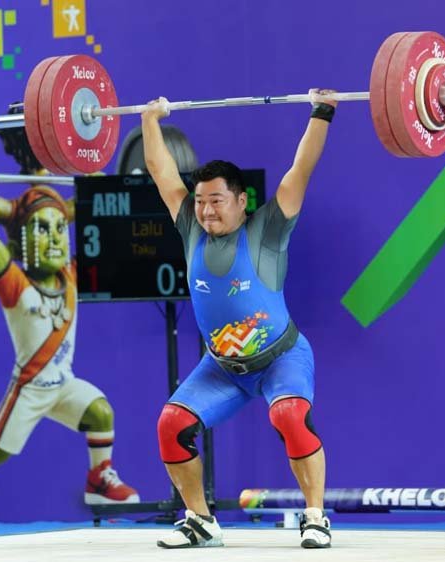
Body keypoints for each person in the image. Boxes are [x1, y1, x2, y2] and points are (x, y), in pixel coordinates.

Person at [142, 90, 337, 549]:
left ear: (241, 200)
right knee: (171, 425)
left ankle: (315, 517)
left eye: (216, 200)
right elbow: (161, 171)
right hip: (222, 368)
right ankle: (200, 521)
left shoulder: (268, 228)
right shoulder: (190, 227)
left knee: (290, 414)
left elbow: (301, 168)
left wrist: (323, 111)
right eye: (200, 201)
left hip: (281, 358)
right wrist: (150, 120)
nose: (206, 210)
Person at [0, 169, 138, 505]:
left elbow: (103, 224)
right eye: (41, 228)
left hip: (63, 385)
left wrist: (98, 189)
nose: (53, 238)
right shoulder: (15, 285)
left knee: (101, 412)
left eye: (60, 228)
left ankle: (98, 482)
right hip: (30, 389)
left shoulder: (71, 275)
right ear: (19, 242)